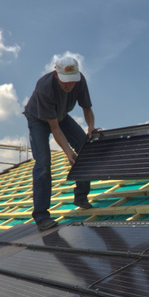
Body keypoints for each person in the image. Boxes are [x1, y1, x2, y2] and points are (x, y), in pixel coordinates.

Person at [24, 55, 96, 231]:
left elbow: (87, 108)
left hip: (61, 115)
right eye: (66, 83)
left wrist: (91, 129)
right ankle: (41, 215)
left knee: (86, 148)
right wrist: (68, 151)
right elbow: (54, 128)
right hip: (39, 119)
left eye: (72, 82)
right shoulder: (44, 88)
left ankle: (80, 196)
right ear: (56, 75)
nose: (70, 86)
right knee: (43, 164)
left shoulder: (80, 81)